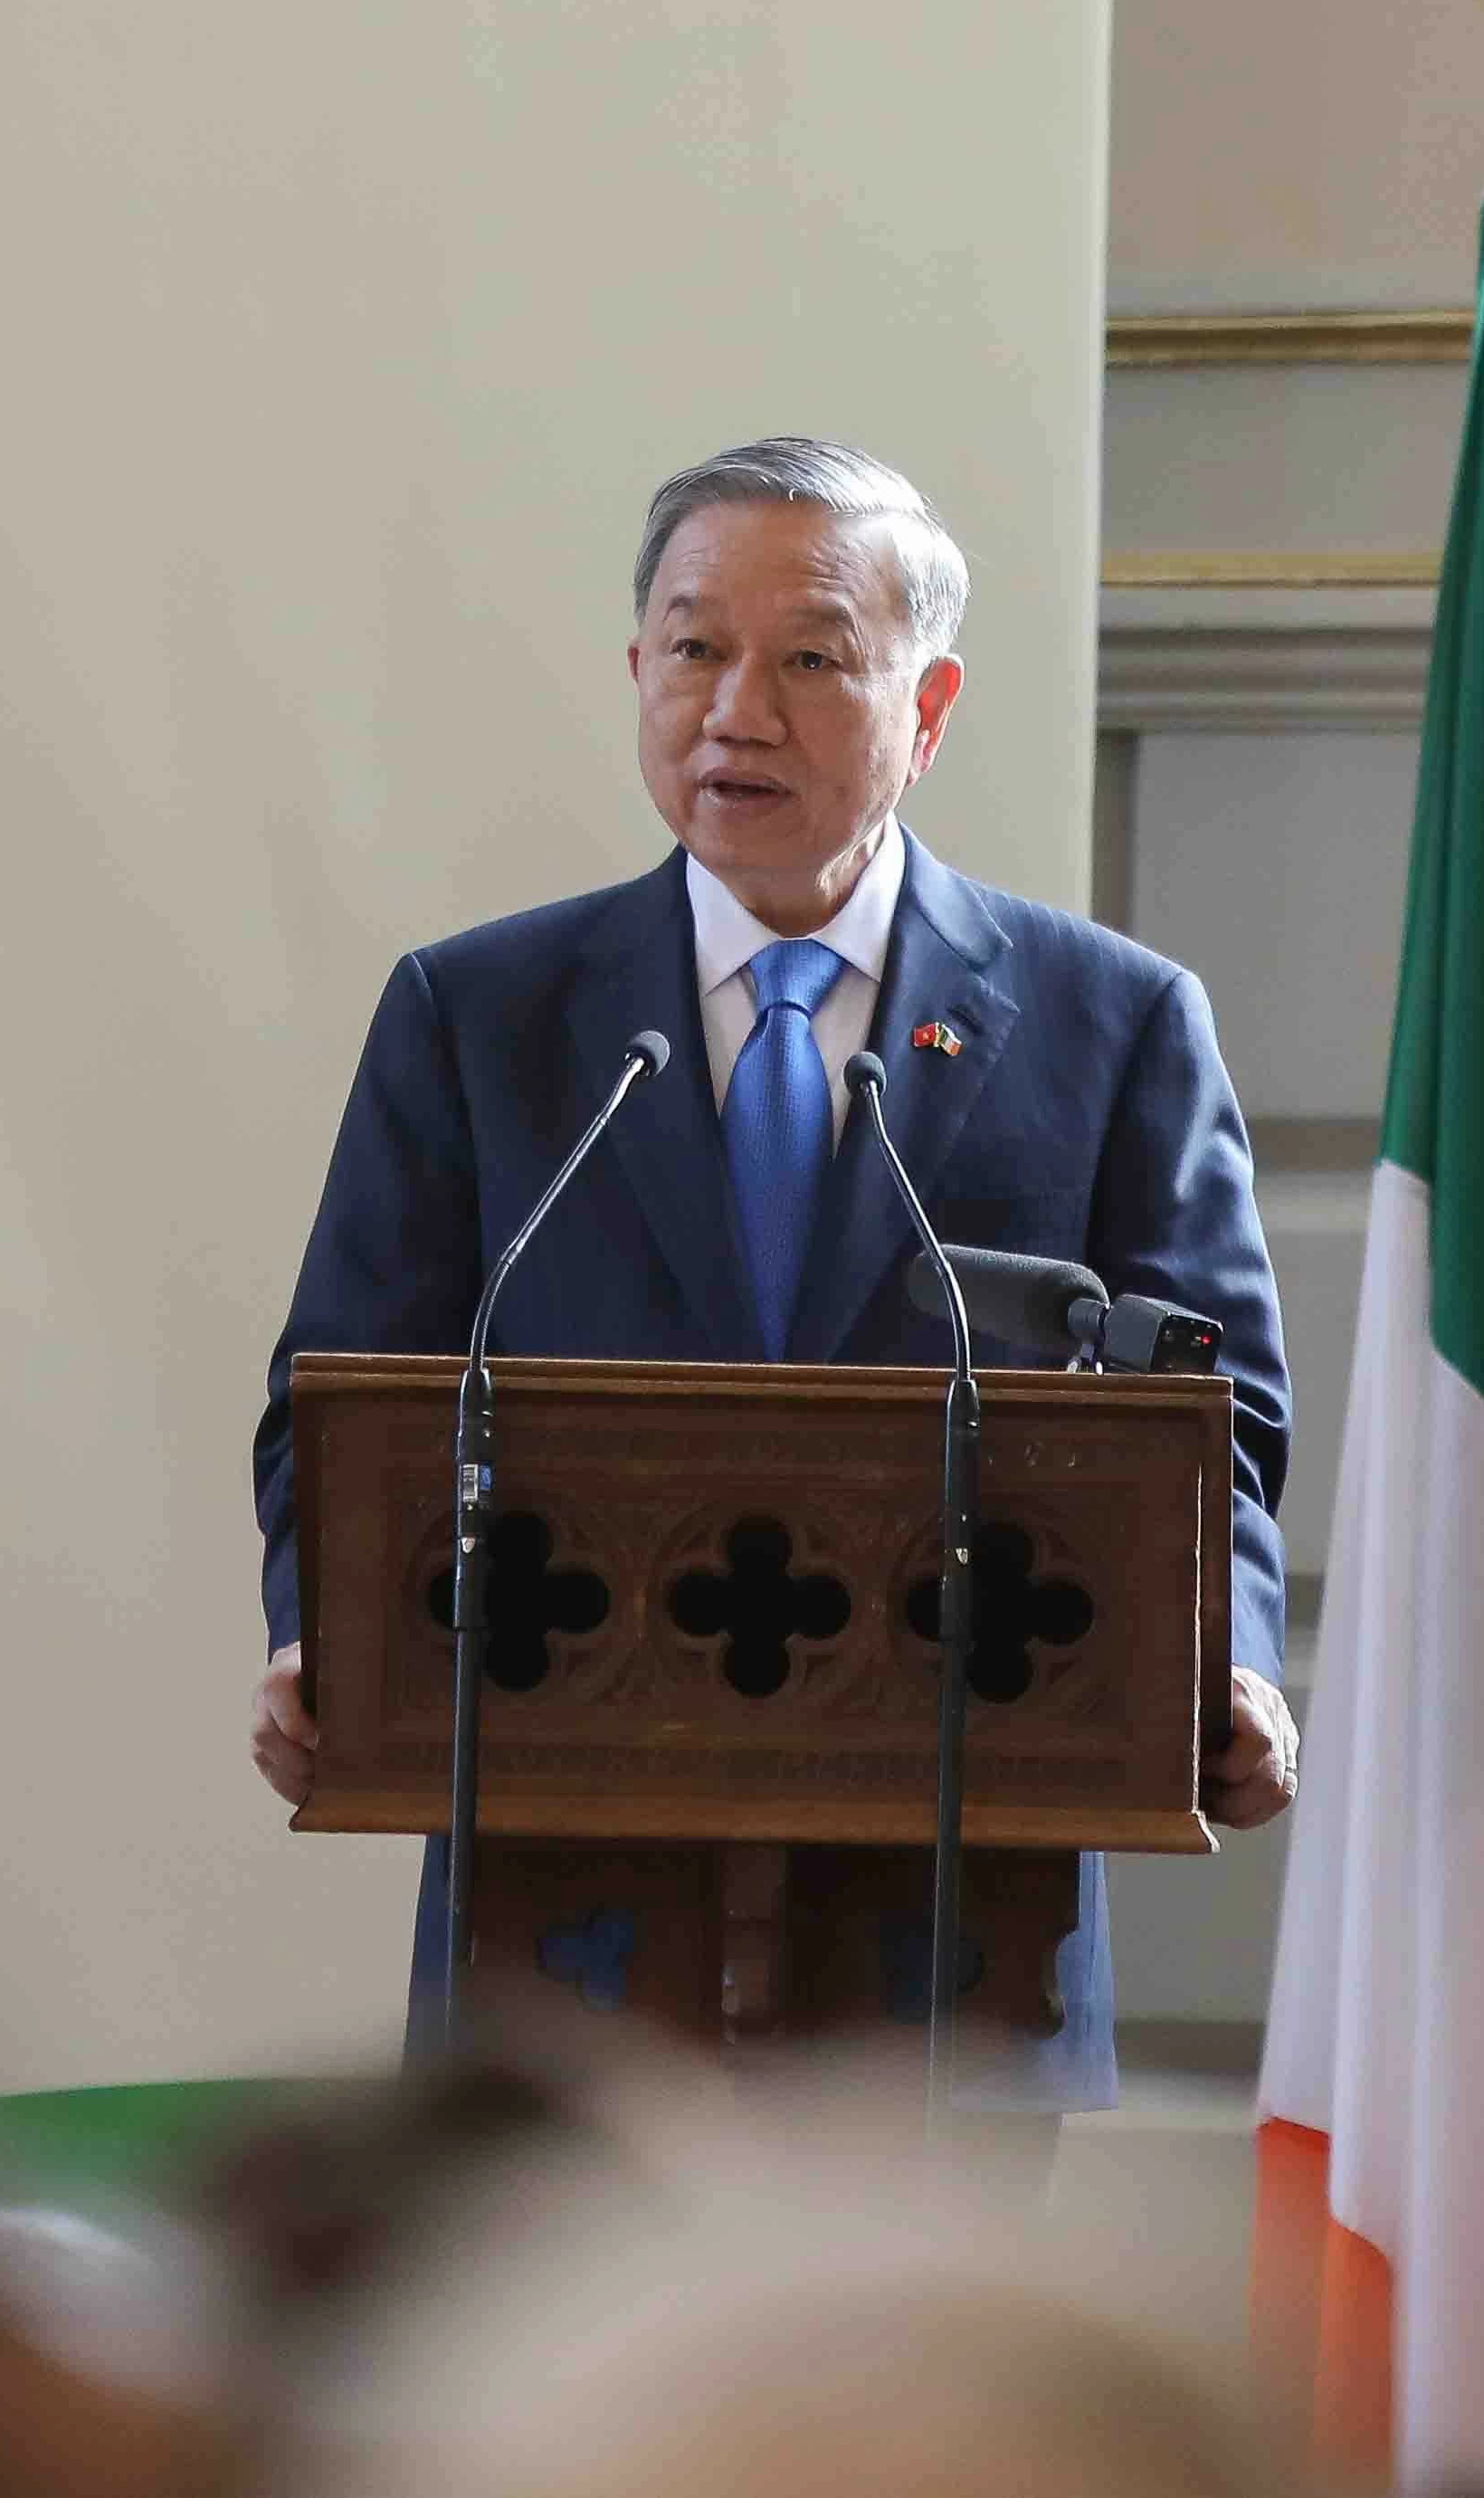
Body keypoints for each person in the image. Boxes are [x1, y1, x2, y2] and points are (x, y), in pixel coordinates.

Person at [245, 436, 1298, 2104]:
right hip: (565, 1947)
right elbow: (340, 1402)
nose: (736, 710)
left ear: (928, 708)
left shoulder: (1109, 1023)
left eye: (810, 658)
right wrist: (333, 1639)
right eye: (694, 648)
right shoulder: (482, 1018)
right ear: (638, 671)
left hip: (953, 1939)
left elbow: (1215, 1416)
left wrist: (1221, 1660)